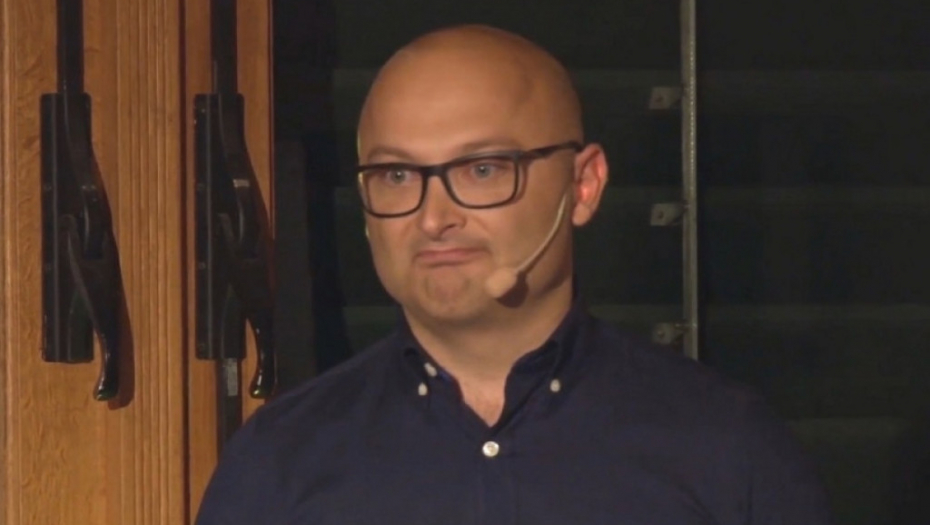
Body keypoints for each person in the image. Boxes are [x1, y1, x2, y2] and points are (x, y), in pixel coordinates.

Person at [195, 25, 834, 524]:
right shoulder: (279, 463)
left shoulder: (726, 448)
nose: (433, 217)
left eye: (482, 170)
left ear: (584, 185)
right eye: (397, 176)